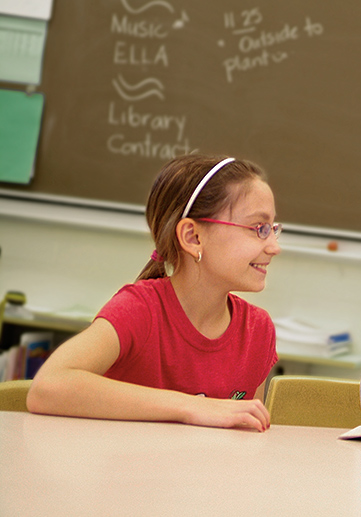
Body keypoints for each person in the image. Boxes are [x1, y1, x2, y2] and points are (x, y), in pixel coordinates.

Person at [27, 154, 281, 432]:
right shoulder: (139, 310)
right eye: (259, 228)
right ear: (193, 237)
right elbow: (48, 387)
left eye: (272, 229)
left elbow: (247, 437)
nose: (274, 247)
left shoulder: (258, 330)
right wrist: (191, 407)